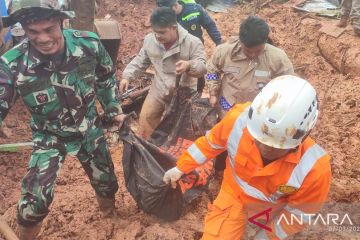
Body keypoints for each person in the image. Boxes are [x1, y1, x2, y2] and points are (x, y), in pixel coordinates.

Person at [0, 0, 126, 239]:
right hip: (49, 135)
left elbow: (105, 76)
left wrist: (112, 109)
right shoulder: (12, 65)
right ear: (24, 30)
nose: (43, 39)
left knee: (106, 183)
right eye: (33, 32)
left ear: (62, 21)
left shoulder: (88, 44)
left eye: (49, 29)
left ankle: (110, 220)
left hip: (90, 128)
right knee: (33, 205)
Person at [163, 75, 331, 239]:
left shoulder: (314, 169)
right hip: (234, 197)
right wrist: (180, 167)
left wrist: (266, 236)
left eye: (274, 146)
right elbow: (209, 144)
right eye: (258, 139)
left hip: (272, 212)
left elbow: (299, 214)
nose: (264, 148)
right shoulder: (238, 120)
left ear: (303, 135)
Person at [120, 7, 206, 139]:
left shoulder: (192, 42)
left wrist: (189, 65)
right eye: (155, 32)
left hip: (184, 94)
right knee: (146, 119)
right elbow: (140, 60)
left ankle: (175, 154)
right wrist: (127, 76)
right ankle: (149, 149)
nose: (158, 36)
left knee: (181, 129)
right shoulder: (150, 40)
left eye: (162, 32)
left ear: (173, 27)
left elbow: (202, 67)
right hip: (158, 89)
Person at [206, 16, 294, 118]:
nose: (252, 55)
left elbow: (288, 84)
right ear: (241, 41)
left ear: (265, 42)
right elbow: (212, 70)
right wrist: (213, 93)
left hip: (258, 114)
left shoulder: (278, 58)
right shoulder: (225, 52)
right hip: (227, 110)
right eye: (247, 50)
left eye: (258, 51)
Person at [156, 0, 222, 92]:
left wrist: (218, 42)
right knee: (175, 79)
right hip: (175, 53)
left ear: (175, 5)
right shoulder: (163, 16)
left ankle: (197, 95)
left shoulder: (195, 9)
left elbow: (210, 25)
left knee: (198, 75)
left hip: (194, 52)